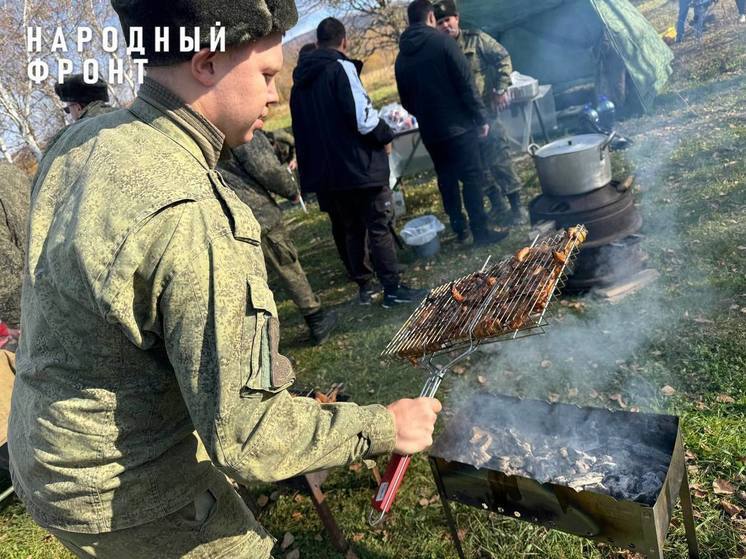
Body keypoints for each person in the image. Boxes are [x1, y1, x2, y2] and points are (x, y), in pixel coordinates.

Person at [8, 2, 441, 557]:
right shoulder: (191, 213)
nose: (274, 95)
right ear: (206, 62)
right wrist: (385, 426)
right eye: (264, 74)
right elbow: (248, 438)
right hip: (127, 489)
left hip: (48, 459)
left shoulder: (84, 141)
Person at [290, 17, 425, 308]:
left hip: (329, 175)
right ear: (344, 41)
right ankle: (392, 289)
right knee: (378, 224)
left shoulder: (298, 85)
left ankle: (365, 288)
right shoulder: (341, 67)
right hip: (358, 166)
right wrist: (386, 134)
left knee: (351, 229)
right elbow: (364, 119)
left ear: (318, 41)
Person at [395, 0, 508, 246]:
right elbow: (465, 83)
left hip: (431, 131)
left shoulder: (402, 57)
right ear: (430, 18)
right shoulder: (443, 43)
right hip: (459, 126)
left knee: (446, 179)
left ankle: (461, 231)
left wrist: (427, 115)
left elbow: (406, 101)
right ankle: (480, 231)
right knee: (471, 177)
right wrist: (480, 116)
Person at [218, 130, 338, 345]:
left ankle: (255, 339)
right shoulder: (240, 126)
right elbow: (267, 168)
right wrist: (292, 190)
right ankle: (316, 319)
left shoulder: (200, 130)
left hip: (223, 220)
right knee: (287, 267)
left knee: (248, 281)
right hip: (258, 215)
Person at [434, 0, 528, 226]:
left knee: (500, 159)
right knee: (477, 168)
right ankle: (497, 205)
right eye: (440, 23)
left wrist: (499, 89)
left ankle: (517, 207)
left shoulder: (476, 40)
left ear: (456, 18)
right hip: (462, 120)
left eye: (448, 20)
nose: (445, 26)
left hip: (487, 112)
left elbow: (503, 57)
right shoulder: (438, 53)